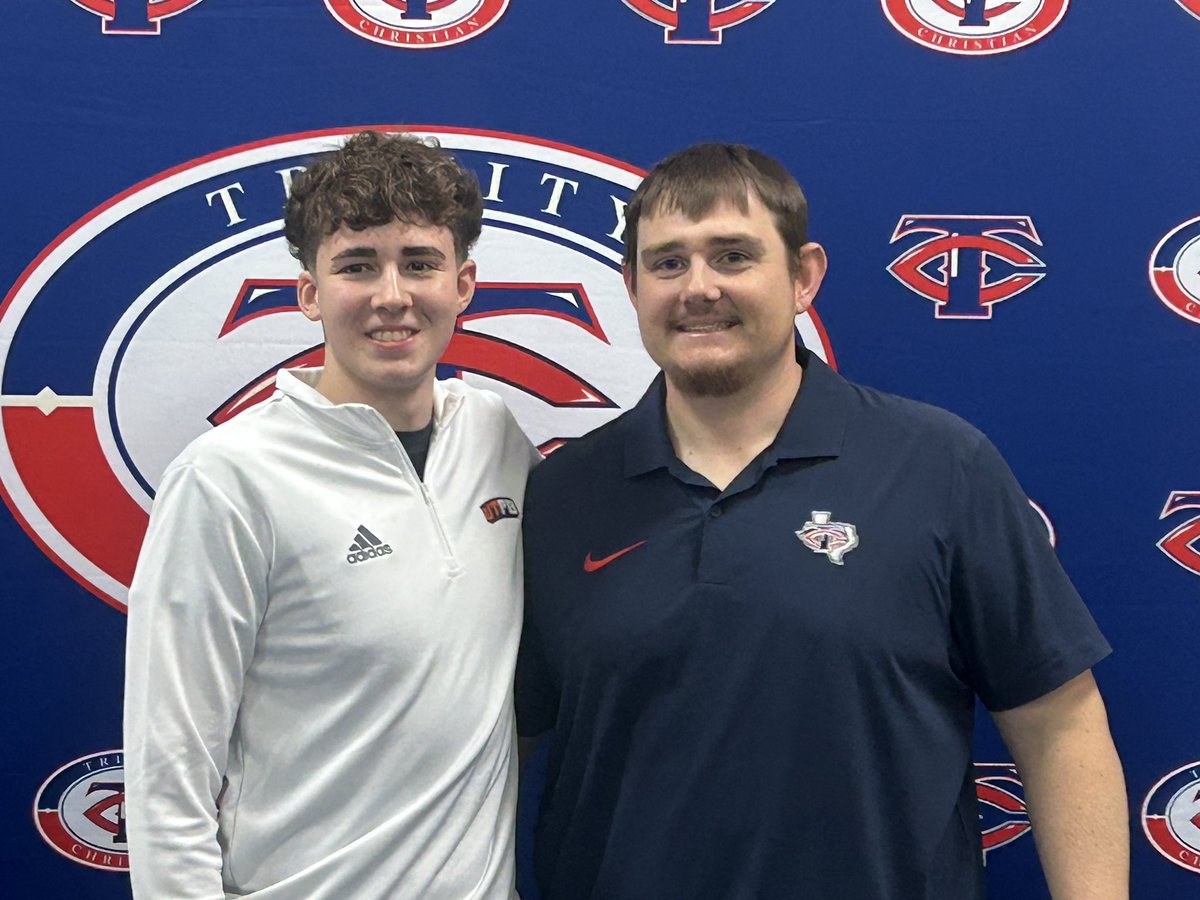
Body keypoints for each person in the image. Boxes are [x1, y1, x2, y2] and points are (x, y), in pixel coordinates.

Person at [516, 143, 1128, 899]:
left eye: (733, 256)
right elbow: (506, 742)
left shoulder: (940, 466)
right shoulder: (562, 493)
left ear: (804, 276)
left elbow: (1060, 726)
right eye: (668, 263)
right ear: (632, 286)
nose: (698, 288)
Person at [124, 130, 537, 899]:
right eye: (357, 265)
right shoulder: (227, 479)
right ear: (309, 292)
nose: (392, 295)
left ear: (463, 283)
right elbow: (167, 776)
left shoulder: (497, 439)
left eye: (419, 263)